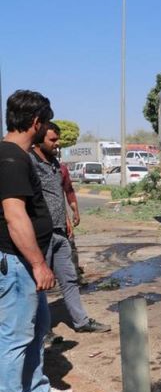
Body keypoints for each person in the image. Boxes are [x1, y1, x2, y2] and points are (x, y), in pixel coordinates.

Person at [0, 90, 73, 392]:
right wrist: (38, 264)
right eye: (45, 123)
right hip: (19, 264)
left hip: (25, 263)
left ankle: (37, 390)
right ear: (35, 122)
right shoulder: (12, 159)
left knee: (39, 324)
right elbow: (15, 217)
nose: (48, 130)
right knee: (16, 335)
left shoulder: (15, 155)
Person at [31, 122, 110, 334]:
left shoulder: (56, 164)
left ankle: (81, 321)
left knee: (70, 279)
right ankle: (42, 332)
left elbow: (59, 193)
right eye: (52, 140)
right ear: (39, 140)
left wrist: (67, 215)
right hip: (41, 235)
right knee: (39, 285)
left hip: (60, 234)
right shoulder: (29, 163)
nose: (57, 144)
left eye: (58, 140)